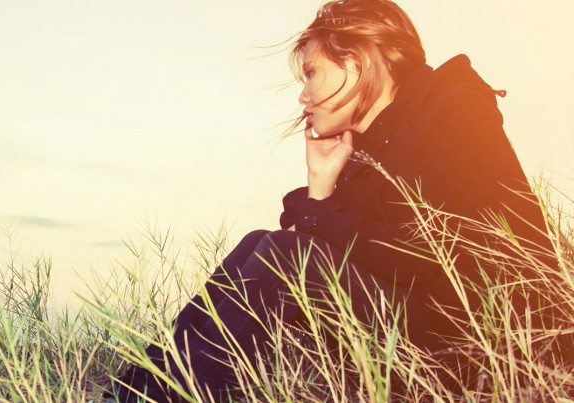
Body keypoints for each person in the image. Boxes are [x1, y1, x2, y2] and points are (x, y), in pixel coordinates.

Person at [109, 0, 557, 401]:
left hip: (491, 352)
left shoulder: (455, 110)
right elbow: (326, 255)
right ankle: (132, 393)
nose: (303, 95)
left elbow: (454, 252)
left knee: (284, 255)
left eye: (311, 73)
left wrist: (319, 213)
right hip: (420, 336)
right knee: (258, 242)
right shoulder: (369, 154)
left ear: (356, 63)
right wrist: (320, 185)